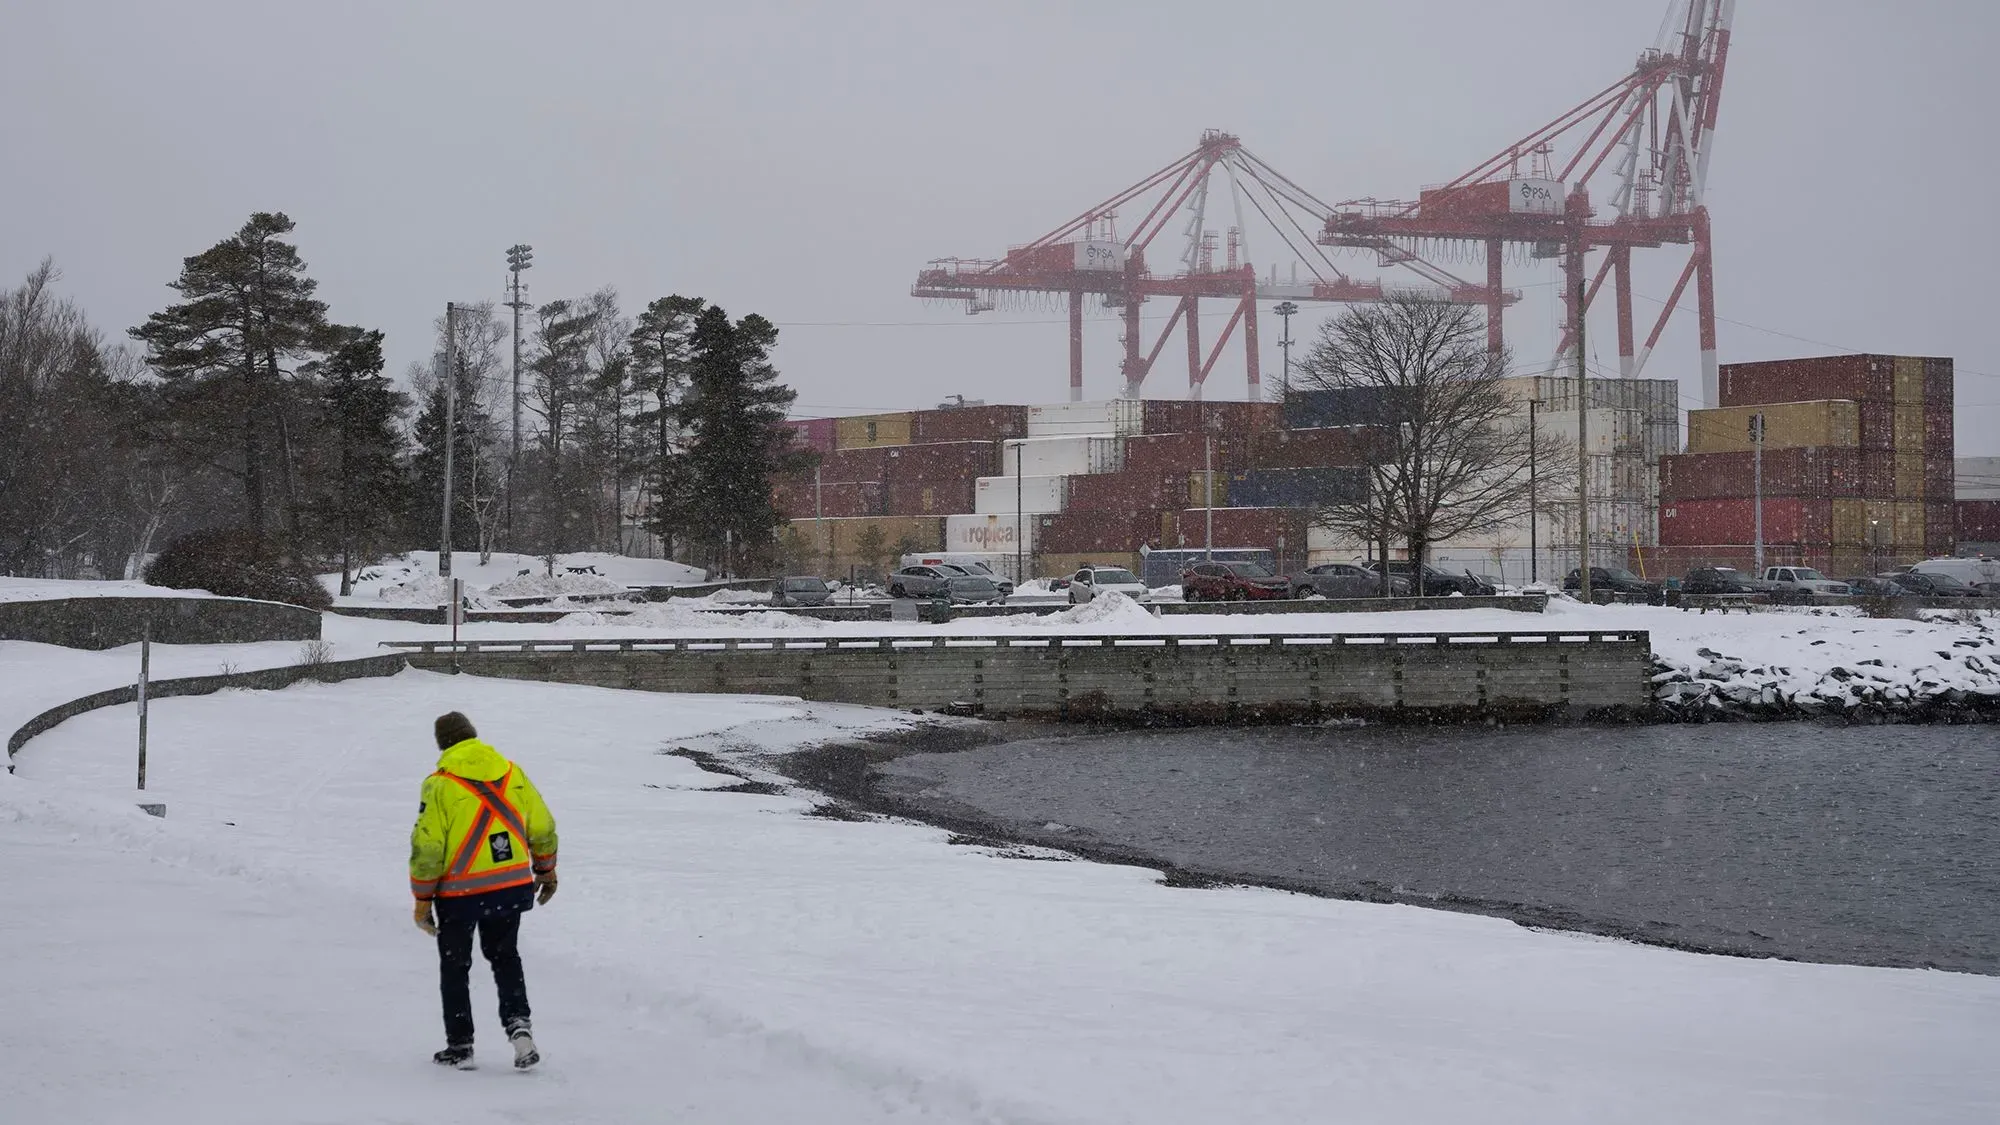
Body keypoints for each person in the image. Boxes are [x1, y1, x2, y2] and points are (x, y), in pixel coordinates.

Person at [409, 711, 559, 1070]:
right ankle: (520, 1030)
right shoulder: (511, 772)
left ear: (443, 744)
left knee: (456, 965)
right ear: (473, 736)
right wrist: (546, 871)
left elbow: (427, 847)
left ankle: (460, 1046)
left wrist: (422, 898)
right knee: (506, 957)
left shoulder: (439, 783)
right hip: (510, 887)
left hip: (458, 895)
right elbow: (543, 825)